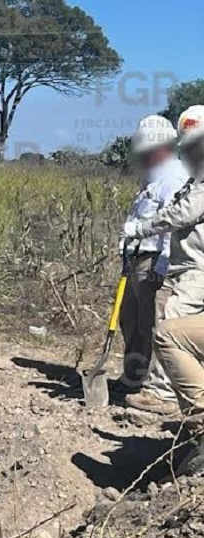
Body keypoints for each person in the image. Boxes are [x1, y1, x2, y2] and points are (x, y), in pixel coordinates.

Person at [123, 107, 204, 465]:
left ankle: (166, 396)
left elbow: (180, 216)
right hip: (183, 266)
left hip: (195, 270)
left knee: (169, 327)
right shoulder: (184, 178)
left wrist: (145, 236)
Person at [119, 115, 190, 415]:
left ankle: (161, 392)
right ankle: (133, 378)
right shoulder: (151, 175)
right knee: (130, 321)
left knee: (155, 327)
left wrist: (162, 264)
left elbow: (171, 225)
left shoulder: (176, 175)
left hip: (154, 263)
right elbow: (140, 218)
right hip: (136, 259)